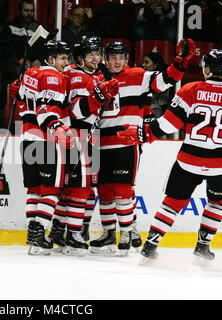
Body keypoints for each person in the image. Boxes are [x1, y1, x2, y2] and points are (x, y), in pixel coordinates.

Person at [116, 49, 222, 264]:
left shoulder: (190, 89)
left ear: (206, 69)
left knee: (172, 203)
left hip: (190, 160)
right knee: (217, 203)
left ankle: (151, 245)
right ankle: (203, 246)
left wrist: (142, 133)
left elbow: (168, 125)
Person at [71, 38, 196, 256]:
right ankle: (109, 233)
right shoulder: (97, 78)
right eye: (112, 58)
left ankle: (127, 233)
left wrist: (179, 62)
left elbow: (166, 79)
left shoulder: (138, 75)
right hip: (100, 142)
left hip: (126, 141)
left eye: (121, 58)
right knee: (104, 191)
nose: (117, 62)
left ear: (127, 59)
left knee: (122, 190)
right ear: (105, 59)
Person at [48, 36, 111, 256]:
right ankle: (73, 233)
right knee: (80, 188)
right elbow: (76, 111)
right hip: (75, 135)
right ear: (81, 57)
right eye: (91, 54)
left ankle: (59, 229)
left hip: (91, 136)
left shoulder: (101, 76)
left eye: (98, 53)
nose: (96, 58)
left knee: (78, 188)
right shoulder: (73, 75)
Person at [13, 40, 74, 255]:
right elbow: (46, 110)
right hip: (47, 140)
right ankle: (39, 233)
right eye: (62, 58)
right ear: (50, 59)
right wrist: (57, 128)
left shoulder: (29, 74)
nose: (66, 63)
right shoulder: (54, 77)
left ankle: (32, 235)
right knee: (51, 189)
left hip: (27, 137)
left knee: (34, 189)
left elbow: (20, 103)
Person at [0, 0, 42, 85]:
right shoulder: (10, 26)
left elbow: (41, 47)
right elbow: (4, 47)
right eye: (26, 10)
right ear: (20, 11)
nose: (29, 13)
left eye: (31, 11)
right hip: (14, 65)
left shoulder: (38, 28)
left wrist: (37, 60)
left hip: (32, 65)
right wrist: (17, 60)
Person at [141, 51, 174, 119]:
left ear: (155, 65)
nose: (143, 65)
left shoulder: (164, 78)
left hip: (157, 109)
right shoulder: (141, 77)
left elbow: (163, 101)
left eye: (146, 62)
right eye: (143, 62)